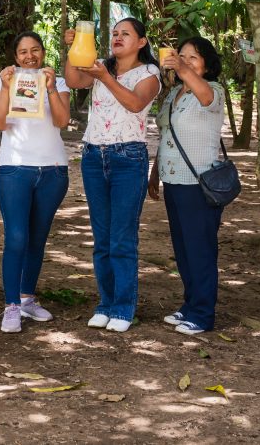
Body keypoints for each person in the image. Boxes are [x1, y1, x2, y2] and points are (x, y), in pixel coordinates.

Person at [64, 17, 160, 333]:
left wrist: (105, 77)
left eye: (126, 34)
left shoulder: (150, 74)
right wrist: (71, 51)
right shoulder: (100, 65)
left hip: (128, 158)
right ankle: (105, 304)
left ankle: (123, 307)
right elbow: (74, 82)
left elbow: (134, 103)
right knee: (101, 238)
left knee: (122, 238)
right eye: (115, 33)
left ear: (142, 42)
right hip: (93, 155)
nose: (117, 37)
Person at [0, 31, 71, 333]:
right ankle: (11, 305)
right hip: (14, 169)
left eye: (35, 50)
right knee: (16, 237)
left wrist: (50, 87)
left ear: (42, 52)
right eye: (23, 51)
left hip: (52, 170)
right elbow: (0, 122)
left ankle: (27, 298)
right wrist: (9, 87)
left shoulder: (58, 82)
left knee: (37, 238)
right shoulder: (3, 82)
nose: (29, 56)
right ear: (15, 56)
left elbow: (61, 121)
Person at [148, 36, 226, 336]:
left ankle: (204, 314)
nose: (185, 61)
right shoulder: (172, 95)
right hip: (173, 180)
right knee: (182, 249)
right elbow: (167, 137)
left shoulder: (213, 91)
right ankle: (190, 305)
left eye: (193, 57)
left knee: (200, 250)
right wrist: (155, 174)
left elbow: (205, 96)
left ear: (206, 65)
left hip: (199, 183)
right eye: (181, 56)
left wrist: (183, 69)